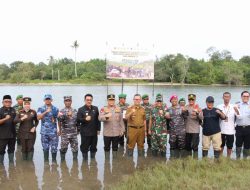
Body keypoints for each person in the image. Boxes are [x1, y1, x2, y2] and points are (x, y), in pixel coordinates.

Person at [99, 94, 125, 159]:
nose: (111, 101)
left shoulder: (118, 108)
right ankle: (107, 163)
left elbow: (121, 121)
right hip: (107, 133)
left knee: (115, 148)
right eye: (110, 100)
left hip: (116, 133)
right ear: (107, 100)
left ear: (114, 100)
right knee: (107, 148)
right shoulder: (103, 109)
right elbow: (99, 118)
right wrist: (106, 117)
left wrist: (122, 130)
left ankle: (115, 162)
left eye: (113, 100)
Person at [77, 94, 100, 160]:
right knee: (84, 148)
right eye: (87, 100)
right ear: (84, 100)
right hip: (85, 133)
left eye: (90, 100)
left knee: (93, 148)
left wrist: (98, 129)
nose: (89, 101)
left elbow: (98, 120)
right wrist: (84, 119)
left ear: (92, 100)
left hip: (94, 133)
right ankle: (85, 162)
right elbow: (78, 120)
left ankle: (93, 161)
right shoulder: (81, 109)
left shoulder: (95, 108)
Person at [37, 94, 59, 162]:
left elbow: (58, 119)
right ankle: (46, 162)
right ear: (44, 100)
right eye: (46, 99)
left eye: (49, 99)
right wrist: (46, 111)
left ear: (51, 100)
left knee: (54, 148)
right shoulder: (40, 108)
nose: (48, 100)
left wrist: (59, 129)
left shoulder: (55, 109)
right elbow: (38, 118)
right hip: (44, 132)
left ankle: (54, 162)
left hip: (53, 132)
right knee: (45, 148)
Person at [58, 96, 78, 161]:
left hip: (73, 133)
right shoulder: (61, 111)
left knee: (75, 149)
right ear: (64, 102)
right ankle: (63, 162)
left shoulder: (75, 110)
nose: (68, 102)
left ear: (71, 102)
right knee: (63, 148)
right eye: (66, 101)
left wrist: (78, 130)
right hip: (65, 134)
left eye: (69, 101)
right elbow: (59, 120)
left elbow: (77, 121)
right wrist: (66, 115)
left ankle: (75, 163)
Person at [217, 92, 236, 158]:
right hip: (221, 130)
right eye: (225, 96)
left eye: (228, 97)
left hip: (230, 130)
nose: (226, 98)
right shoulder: (219, 106)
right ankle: (220, 158)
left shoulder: (234, 107)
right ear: (223, 97)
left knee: (230, 146)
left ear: (230, 98)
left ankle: (228, 158)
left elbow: (238, 116)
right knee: (221, 145)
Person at [185, 94, 203, 159]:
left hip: (195, 131)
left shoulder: (198, 108)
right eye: (190, 99)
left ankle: (195, 161)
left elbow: (201, 118)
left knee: (195, 147)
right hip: (187, 130)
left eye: (192, 99)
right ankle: (189, 161)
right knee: (188, 146)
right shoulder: (185, 107)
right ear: (188, 100)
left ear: (195, 100)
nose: (191, 101)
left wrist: (197, 113)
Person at [0, 95, 16, 164]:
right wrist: (5, 118)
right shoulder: (0, 110)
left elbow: (16, 120)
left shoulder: (13, 110)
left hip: (12, 135)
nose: (8, 103)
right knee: (1, 151)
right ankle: (1, 165)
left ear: (11, 102)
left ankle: (11, 166)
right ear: (2, 102)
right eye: (6, 102)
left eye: (9, 102)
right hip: (2, 136)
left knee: (11, 150)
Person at [234, 91, 250, 159]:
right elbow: (236, 116)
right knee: (238, 144)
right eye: (244, 96)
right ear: (241, 97)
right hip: (239, 128)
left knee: (247, 145)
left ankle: (245, 159)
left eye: (247, 96)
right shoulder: (237, 105)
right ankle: (237, 159)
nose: (245, 97)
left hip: (248, 128)